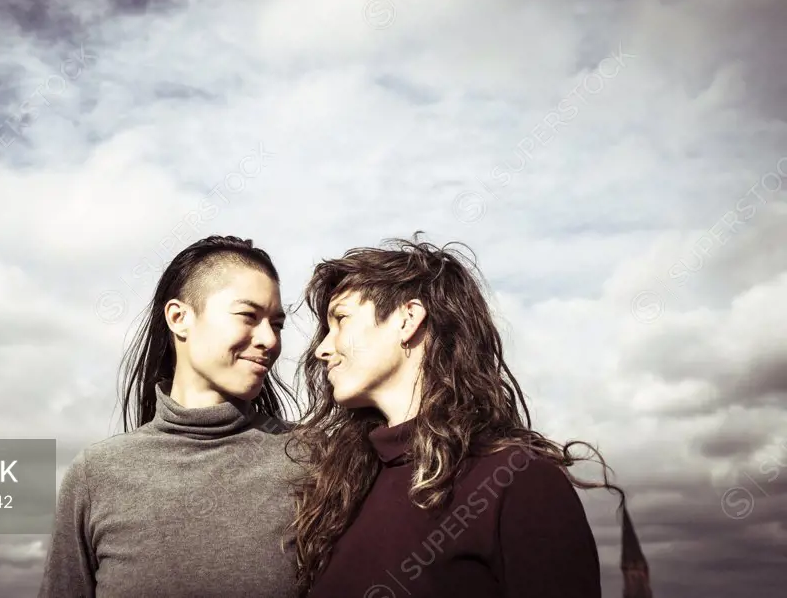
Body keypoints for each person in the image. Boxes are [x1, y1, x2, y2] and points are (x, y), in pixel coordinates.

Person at [286, 234, 626, 598]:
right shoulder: (342, 491)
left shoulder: (517, 480)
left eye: (341, 320)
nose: (323, 348)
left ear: (408, 319)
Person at [38, 235, 301, 598]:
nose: (269, 340)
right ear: (179, 318)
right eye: (248, 316)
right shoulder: (96, 474)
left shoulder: (312, 460)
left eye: (277, 324)